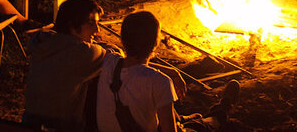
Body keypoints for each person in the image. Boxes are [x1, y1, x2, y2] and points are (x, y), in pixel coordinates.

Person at [96, 11, 240, 132]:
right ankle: (221, 111)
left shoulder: (109, 62)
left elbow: (132, 64)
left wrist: (171, 71)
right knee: (200, 126)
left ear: (123, 39)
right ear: (156, 43)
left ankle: (183, 119)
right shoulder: (159, 81)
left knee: (162, 110)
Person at [23, 0, 107, 132]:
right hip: (63, 126)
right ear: (72, 24)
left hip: (29, 122)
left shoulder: (42, 42)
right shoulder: (83, 53)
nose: (97, 30)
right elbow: (116, 57)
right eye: (91, 23)